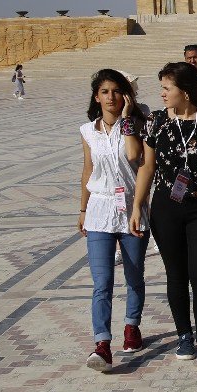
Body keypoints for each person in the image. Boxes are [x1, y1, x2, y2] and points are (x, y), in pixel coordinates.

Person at [131, 62, 197, 373]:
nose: (162, 94)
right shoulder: (157, 122)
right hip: (166, 209)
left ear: (186, 92)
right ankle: (184, 336)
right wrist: (138, 205)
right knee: (176, 275)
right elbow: (147, 167)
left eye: (167, 88)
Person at [78, 69, 149, 373]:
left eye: (117, 91)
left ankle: (132, 325)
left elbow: (134, 156)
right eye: (105, 92)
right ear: (97, 96)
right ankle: (102, 343)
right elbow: (87, 169)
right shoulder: (87, 131)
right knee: (102, 281)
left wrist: (130, 117)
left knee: (134, 275)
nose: (111, 97)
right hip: (99, 209)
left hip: (132, 209)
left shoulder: (137, 126)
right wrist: (82, 210)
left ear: (126, 96)